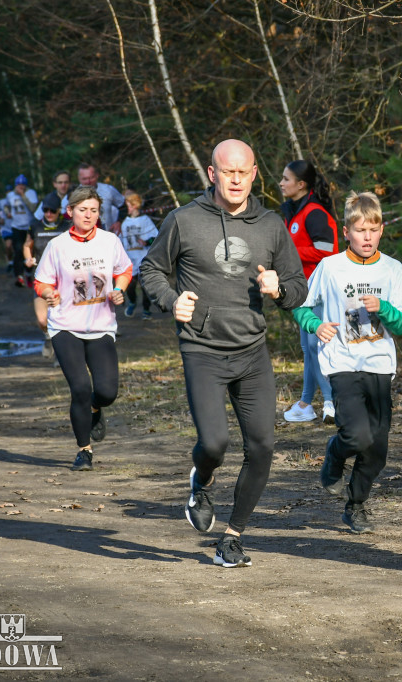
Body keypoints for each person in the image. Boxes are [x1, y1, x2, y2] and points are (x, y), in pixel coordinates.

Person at [140, 138, 307, 568]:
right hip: (202, 349)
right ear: (212, 174)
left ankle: (232, 538)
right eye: (227, 172)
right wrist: (171, 299)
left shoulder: (271, 225)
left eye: (243, 172)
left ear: (254, 175)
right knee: (214, 444)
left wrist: (280, 290)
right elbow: (151, 269)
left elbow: (298, 286)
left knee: (263, 446)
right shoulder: (183, 220)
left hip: (252, 352)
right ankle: (202, 481)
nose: (235, 179)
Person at [293, 191, 402, 533]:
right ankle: (334, 457)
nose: (367, 237)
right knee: (355, 435)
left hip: (380, 366)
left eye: (373, 230)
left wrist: (384, 309)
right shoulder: (330, 267)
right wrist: (315, 325)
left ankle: (356, 504)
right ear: (346, 231)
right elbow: (301, 306)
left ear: (381, 230)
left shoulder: (392, 269)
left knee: (377, 448)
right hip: (341, 363)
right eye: (360, 230)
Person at [32, 186, 132, 471]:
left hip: (101, 326)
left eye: (94, 210)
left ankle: (95, 407)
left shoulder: (110, 241)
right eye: (82, 210)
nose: (88, 215)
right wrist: (49, 293)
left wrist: (119, 290)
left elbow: (124, 270)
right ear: (70, 211)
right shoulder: (58, 245)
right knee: (79, 388)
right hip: (65, 326)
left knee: (107, 392)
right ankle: (84, 451)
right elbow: (41, 281)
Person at [278, 159, 339, 424]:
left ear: (301, 184)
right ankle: (305, 403)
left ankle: (331, 402)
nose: (281, 183)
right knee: (308, 348)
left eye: (286, 179)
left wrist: (288, 252)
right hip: (301, 289)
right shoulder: (293, 212)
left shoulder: (314, 213)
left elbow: (327, 251)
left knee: (315, 346)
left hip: (320, 289)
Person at [24, 194, 71, 357]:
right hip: (41, 279)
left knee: (62, 319)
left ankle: (61, 353)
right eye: (45, 210)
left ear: (59, 210)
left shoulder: (67, 226)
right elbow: (27, 245)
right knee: (42, 319)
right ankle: (48, 336)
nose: (48, 214)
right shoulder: (35, 226)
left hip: (63, 279)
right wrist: (28, 258)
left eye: (52, 210)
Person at [118, 191, 159, 320]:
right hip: (130, 259)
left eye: (129, 206)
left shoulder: (145, 220)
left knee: (145, 286)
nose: (127, 209)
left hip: (143, 257)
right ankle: (132, 302)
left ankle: (146, 309)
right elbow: (121, 239)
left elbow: (156, 237)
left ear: (135, 206)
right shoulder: (125, 222)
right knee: (130, 285)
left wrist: (146, 242)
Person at [4, 174, 39, 287]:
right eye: (18, 185)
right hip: (16, 227)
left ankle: (28, 273)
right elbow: (6, 206)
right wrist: (7, 213)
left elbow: (33, 208)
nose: (20, 187)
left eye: (23, 185)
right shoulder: (10, 195)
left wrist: (23, 195)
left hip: (29, 227)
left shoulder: (31, 193)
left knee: (29, 251)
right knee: (18, 250)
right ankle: (19, 276)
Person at [76, 164, 125, 234]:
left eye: (91, 178)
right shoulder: (72, 195)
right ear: (79, 178)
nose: (88, 182)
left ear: (97, 175)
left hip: (107, 234)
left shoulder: (108, 190)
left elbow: (123, 206)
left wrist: (119, 222)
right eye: (84, 179)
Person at [0, 186, 14, 272]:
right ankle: (10, 262)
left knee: (16, 247)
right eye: (7, 192)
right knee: (8, 246)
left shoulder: (17, 201)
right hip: (6, 227)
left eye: (10, 191)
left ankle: (15, 262)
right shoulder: (1, 202)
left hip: (16, 226)